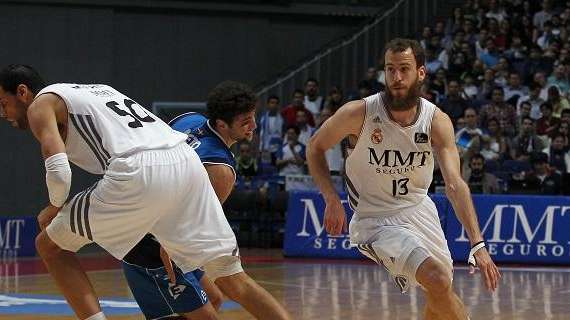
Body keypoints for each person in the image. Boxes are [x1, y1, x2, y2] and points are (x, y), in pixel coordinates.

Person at [0, 65, 239, 320]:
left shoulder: (40, 106)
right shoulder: (97, 91)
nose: (2, 113)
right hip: (183, 166)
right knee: (221, 290)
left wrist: (55, 205)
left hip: (138, 177)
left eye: (3, 103)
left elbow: (59, 172)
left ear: (22, 92)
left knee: (49, 246)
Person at [306, 39, 500, 320]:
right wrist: (330, 197)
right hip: (375, 219)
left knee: (439, 290)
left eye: (404, 69)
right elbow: (315, 147)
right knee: (436, 279)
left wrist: (478, 243)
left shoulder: (436, 120)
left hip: (420, 211)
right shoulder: (359, 113)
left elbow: (455, 185)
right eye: (390, 69)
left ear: (421, 72)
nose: (396, 78)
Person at [121, 81, 291, 320]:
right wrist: (169, 249)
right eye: (245, 121)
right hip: (152, 241)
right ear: (221, 124)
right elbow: (192, 221)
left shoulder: (187, 119)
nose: (254, 125)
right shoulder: (220, 170)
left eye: (253, 117)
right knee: (234, 288)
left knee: (215, 297)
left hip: (160, 223)